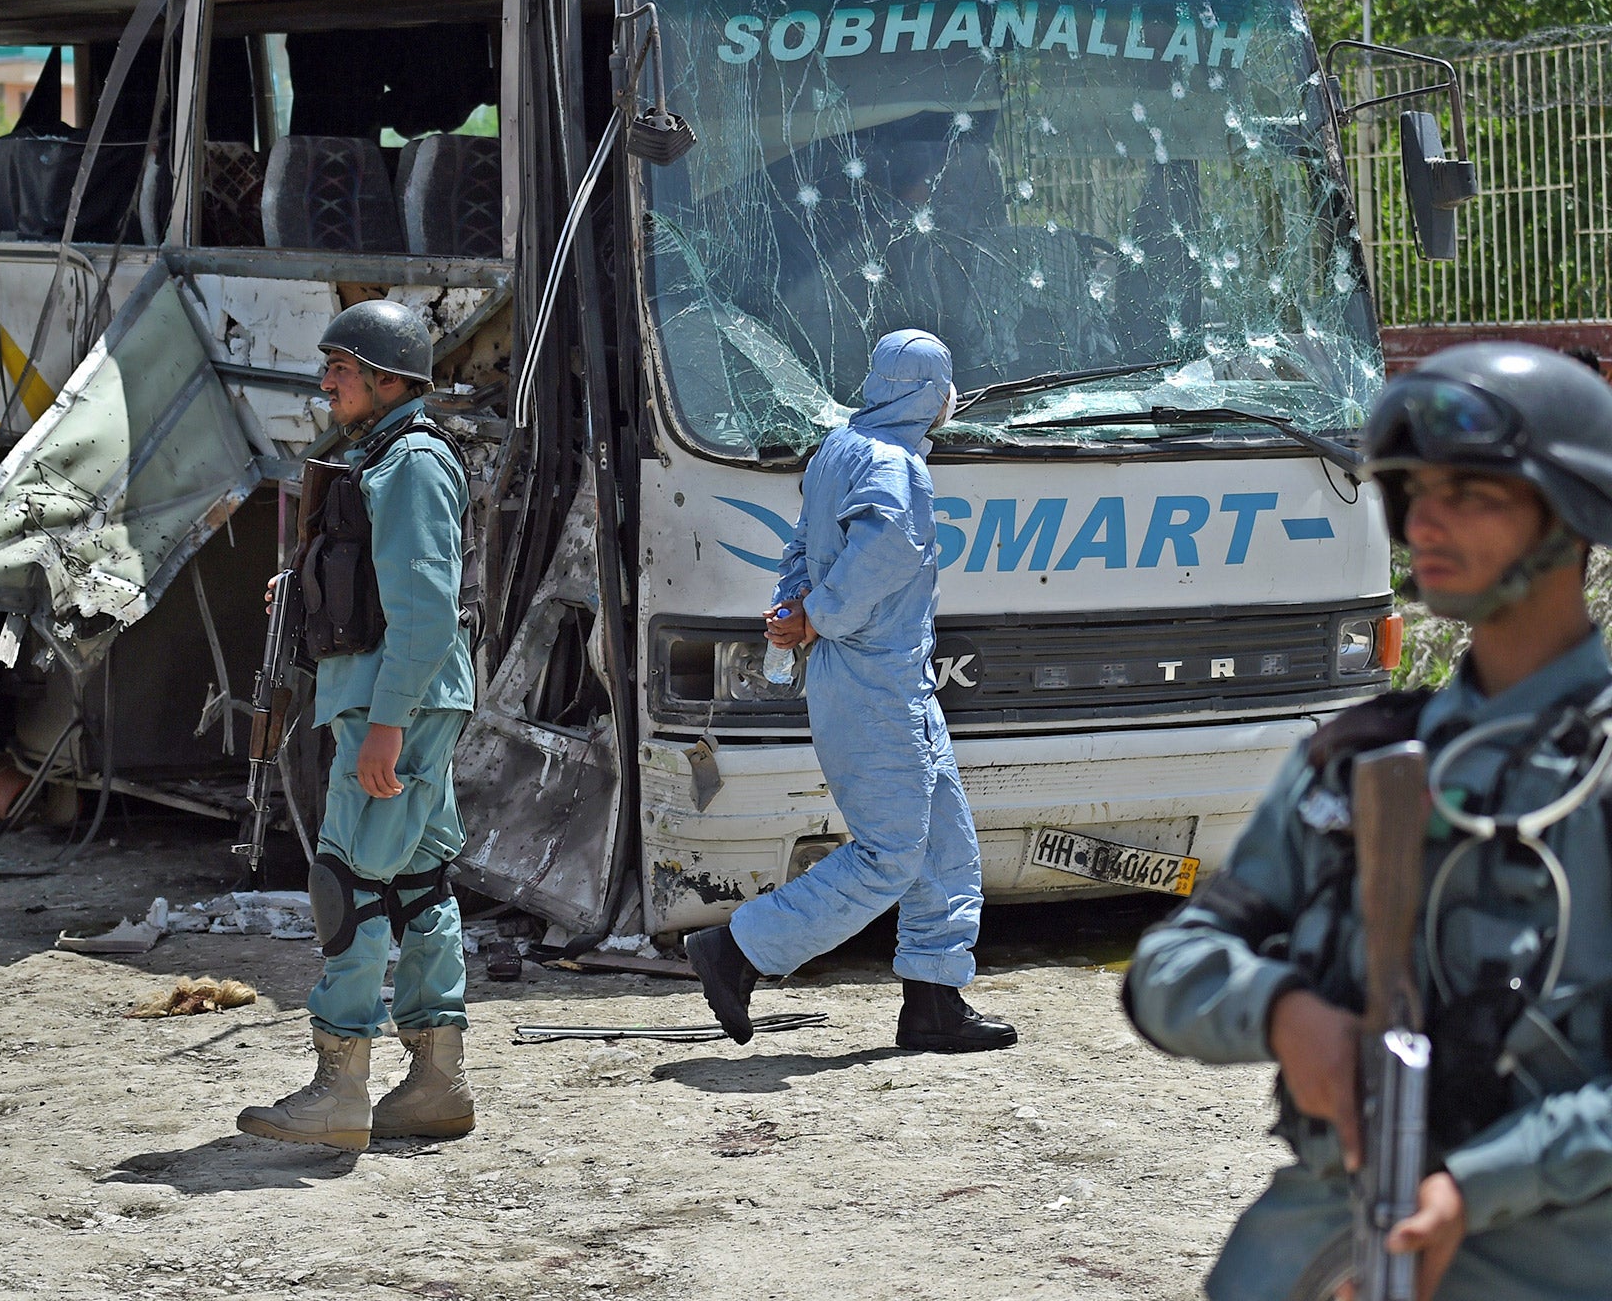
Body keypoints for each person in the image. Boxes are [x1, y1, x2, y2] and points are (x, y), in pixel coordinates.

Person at [1125, 341, 1612, 1301]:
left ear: (1573, 515)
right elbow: (1167, 970)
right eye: (1414, 493)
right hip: (1324, 1238)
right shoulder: (1363, 758)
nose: (1426, 520)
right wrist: (1283, 1013)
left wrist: (1475, 1189)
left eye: (1474, 495)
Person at [687, 329, 1017, 1053]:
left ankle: (934, 1004)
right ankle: (738, 950)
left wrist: (795, 606)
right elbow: (888, 551)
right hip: (876, 678)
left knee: (945, 848)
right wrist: (818, 614)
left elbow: (802, 541)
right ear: (930, 393)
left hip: (877, 676)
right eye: (945, 387)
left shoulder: (840, 446)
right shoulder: (897, 466)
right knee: (893, 852)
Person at [236, 300, 477, 1151]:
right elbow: (380, 581)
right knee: (417, 883)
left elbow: (425, 606)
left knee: (347, 881)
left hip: (395, 703)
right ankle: (434, 1084)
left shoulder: (409, 461)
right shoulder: (386, 457)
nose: (327, 380)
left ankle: (340, 1090)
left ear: (388, 378)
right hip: (405, 698)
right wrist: (301, 586)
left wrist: (385, 726)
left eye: (342, 366)